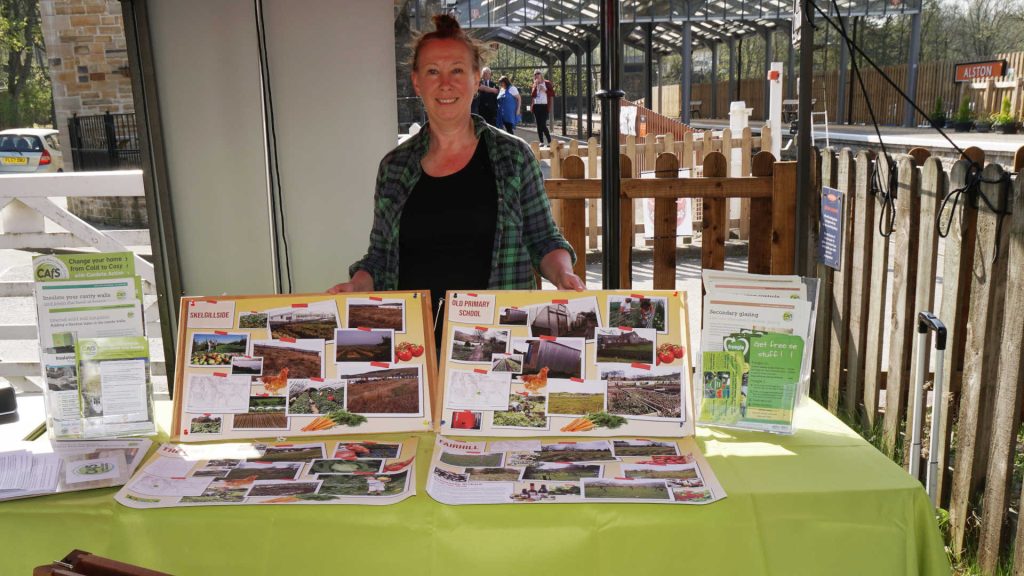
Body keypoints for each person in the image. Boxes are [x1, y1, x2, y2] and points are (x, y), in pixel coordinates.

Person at [328, 15, 584, 341]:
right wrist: (356, 285)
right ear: (417, 81)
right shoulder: (393, 167)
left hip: (496, 345)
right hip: (414, 348)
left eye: (457, 70)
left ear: (476, 79)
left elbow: (544, 241)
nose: (445, 83)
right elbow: (379, 259)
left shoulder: (513, 158)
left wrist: (563, 274)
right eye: (433, 71)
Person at [530, 69, 555, 146]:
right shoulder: (534, 84)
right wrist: (536, 86)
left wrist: (545, 90)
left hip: (544, 106)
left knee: (543, 124)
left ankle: (549, 141)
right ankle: (541, 141)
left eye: (538, 73)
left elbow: (553, 94)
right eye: (535, 74)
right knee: (538, 124)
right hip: (537, 106)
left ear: (541, 75)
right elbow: (533, 96)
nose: (537, 75)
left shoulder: (547, 83)